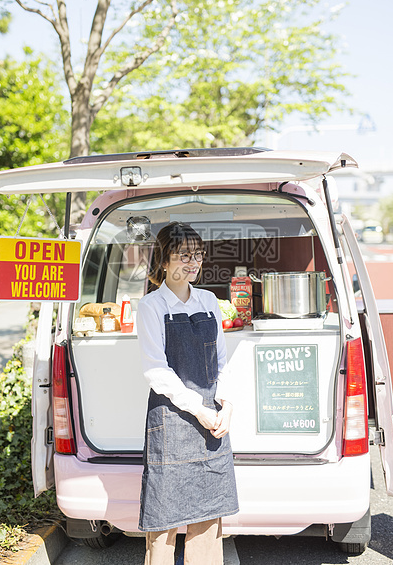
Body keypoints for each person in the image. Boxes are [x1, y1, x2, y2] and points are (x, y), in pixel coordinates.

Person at [136, 221, 239, 565]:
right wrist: (199, 409)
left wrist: (226, 404)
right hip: (172, 419)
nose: (192, 263)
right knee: (163, 518)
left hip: (211, 417)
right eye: (183, 255)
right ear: (164, 261)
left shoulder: (208, 299)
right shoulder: (152, 306)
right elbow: (156, 370)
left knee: (209, 514)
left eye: (197, 255)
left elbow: (220, 360)